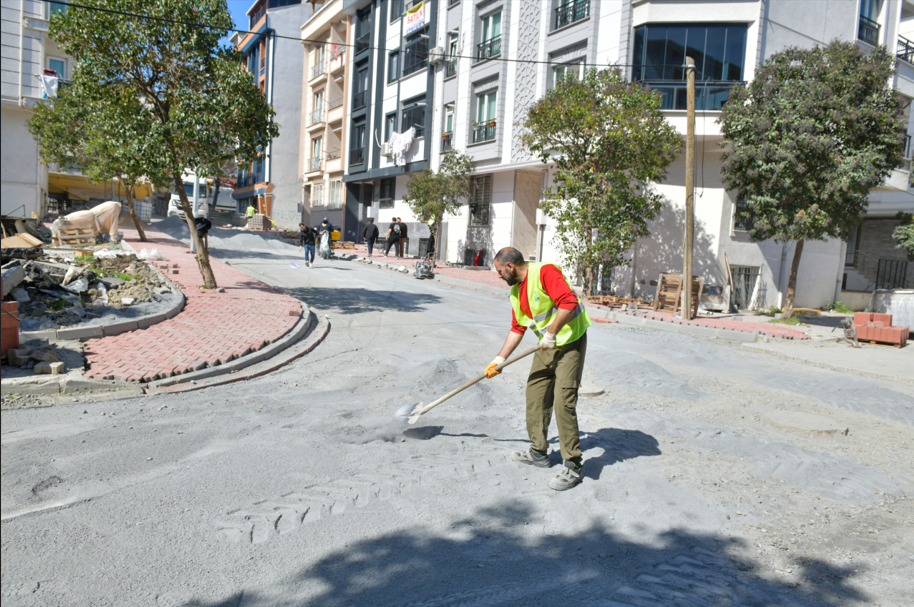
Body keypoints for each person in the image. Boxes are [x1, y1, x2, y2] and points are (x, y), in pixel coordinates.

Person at [485, 247, 591, 491]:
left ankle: (573, 465)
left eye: (500, 271)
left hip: (570, 342)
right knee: (535, 394)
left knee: (563, 401)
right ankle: (538, 452)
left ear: (510, 266)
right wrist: (499, 360)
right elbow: (517, 328)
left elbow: (569, 302)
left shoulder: (545, 272)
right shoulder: (515, 292)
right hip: (546, 347)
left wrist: (551, 334)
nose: (499, 275)